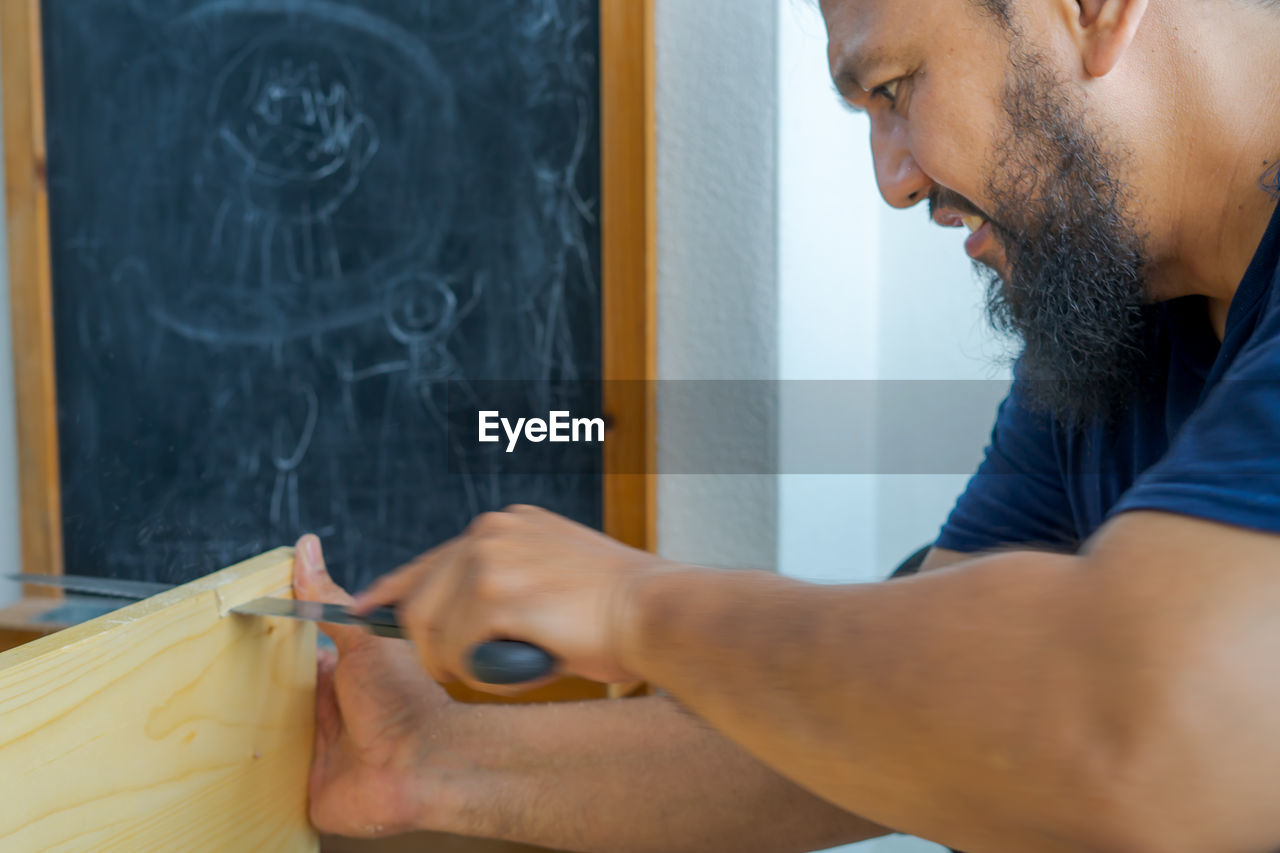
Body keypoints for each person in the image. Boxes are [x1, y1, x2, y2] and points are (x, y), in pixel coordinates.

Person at [292, 0, 1280, 849]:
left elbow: (1150, 726)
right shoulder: (1108, 324)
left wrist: (641, 611)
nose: (892, 180)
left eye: (895, 86)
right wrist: (433, 761)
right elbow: (908, 722)